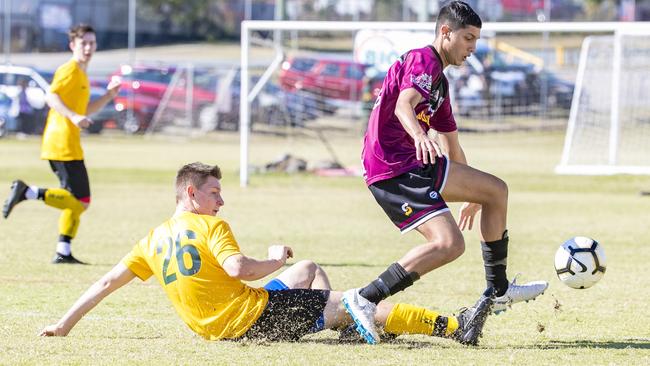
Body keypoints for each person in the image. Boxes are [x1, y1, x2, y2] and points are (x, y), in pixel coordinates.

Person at [39, 162, 494, 346]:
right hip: (251, 319)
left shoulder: (152, 240)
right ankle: (454, 327)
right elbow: (239, 269)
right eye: (215, 192)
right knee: (361, 300)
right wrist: (274, 259)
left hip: (218, 327)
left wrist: (64, 324)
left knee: (309, 269)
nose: (221, 201)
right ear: (192, 194)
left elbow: (104, 282)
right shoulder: (211, 224)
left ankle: (344, 327)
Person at [343, 1, 548, 344]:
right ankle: (364, 298)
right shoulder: (423, 60)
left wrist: (472, 194)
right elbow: (403, 104)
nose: (472, 48)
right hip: (392, 167)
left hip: (415, 163)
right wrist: (420, 135)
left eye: (476, 40)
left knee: (495, 191)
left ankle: (497, 290)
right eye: (468, 38)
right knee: (449, 244)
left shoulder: (440, 84)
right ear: (445, 32)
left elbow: (452, 143)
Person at [2, 24, 121, 264]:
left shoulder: (82, 74)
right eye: (83, 43)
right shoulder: (70, 70)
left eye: (92, 43)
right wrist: (74, 117)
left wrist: (108, 96)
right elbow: (51, 96)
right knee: (80, 200)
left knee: (78, 202)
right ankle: (27, 192)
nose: (88, 48)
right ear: (72, 46)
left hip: (68, 142)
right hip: (61, 142)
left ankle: (63, 250)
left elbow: (84, 110)